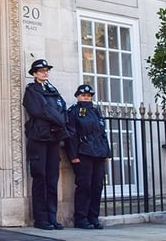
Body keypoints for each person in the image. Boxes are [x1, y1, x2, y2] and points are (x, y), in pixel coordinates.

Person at [22, 59, 69, 230]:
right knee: (40, 178)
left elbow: (61, 106)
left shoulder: (52, 89)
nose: (44, 73)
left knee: (52, 179)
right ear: (34, 73)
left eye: (46, 70)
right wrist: (59, 119)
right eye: (41, 71)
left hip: (53, 138)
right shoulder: (31, 90)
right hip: (38, 138)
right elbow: (39, 110)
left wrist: (60, 119)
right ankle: (41, 219)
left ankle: (52, 217)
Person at [65, 84, 112, 230]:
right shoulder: (74, 112)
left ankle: (93, 217)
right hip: (83, 153)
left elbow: (102, 133)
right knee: (84, 186)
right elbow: (71, 135)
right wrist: (73, 155)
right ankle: (81, 218)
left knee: (97, 186)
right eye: (84, 95)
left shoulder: (95, 111)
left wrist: (106, 153)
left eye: (89, 96)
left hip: (98, 153)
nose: (86, 98)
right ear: (78, 96)